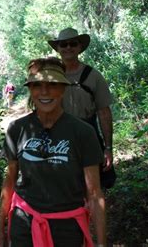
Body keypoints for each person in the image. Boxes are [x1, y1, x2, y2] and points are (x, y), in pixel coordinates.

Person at [0, 57, 106, 247]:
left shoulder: (82, 132)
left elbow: (94, 193)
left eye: (52, 84)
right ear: (30, 89)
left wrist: (101, 243)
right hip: (24, 225)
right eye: (37, 85)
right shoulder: (17, 129)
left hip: (68, 228)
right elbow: (10, 181)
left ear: (63, 88)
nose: (44, 92)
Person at [48, 28, 114, 186]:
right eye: (63, 44)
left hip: (88, 137)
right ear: (58, 48)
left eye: (73, 43)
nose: (68, 47)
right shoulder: (50, 77)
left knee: (94, 185)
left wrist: (108, 148)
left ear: (79, 47)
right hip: (59, 140)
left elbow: (104, 113)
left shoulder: (94, 76)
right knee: (65, 186)